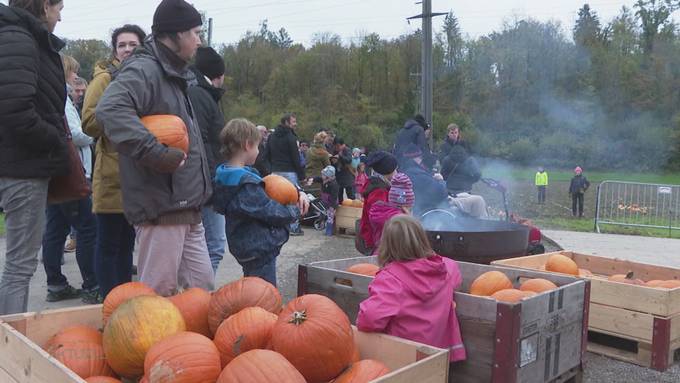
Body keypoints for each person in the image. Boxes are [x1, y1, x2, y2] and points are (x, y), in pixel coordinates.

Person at [96, 0, 214, 296]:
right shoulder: (144, 69)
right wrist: (157, 154)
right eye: (195, 32)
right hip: (161, 206)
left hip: (187, 206)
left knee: (202, 293)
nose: (199, 40)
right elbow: (110, 110)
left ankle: (191, 344)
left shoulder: (174, 72)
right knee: (157, 300)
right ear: (174, 35)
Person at [0, 0, 69, 315]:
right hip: (22, 168)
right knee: (19, 267)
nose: (60, 14)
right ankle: (8, 350)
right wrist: (55, 139)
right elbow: (15, 108)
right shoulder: (20, 38)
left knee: (17, 264)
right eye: (58, 7)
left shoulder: (19, 37)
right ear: (44, 6)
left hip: (19, 162)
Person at [82, 23, 146, 298]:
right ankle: (109, 301)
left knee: (127, 243)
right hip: (111, 173)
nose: (128, 49)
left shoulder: (147, 77)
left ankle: (125, 301)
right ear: (115, 51)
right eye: (122, 45)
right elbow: (88, 121)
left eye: (133, 44)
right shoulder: (104, 80)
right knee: (109, 243)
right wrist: (124, 121)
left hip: (140, 174)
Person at [357, 215, 466, 364]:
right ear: (422, 240)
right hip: (439, 355)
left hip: (403, 357)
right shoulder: (446, 268)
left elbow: (369, 319)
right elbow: (456, 278)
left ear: (386, 245)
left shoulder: (390, 280)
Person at [212, 118, 302, 286]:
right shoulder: (245, 185)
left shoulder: (225, 176)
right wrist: (295, 210)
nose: (259, 152)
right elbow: (271, 211)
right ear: (247, 145)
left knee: (252, 288)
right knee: (264, 292)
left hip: (245, 245)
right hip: (258, 249)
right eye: (257, 146)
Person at [41, 54, 99, 304]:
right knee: (88, 227)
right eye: (72, 72)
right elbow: (73, 133)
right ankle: (92, 284)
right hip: (72, 172)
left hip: (54, 173)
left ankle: (55, 282)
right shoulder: (60, 98)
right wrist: (93, 135)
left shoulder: (48, 96)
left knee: (55, 228)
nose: (76, 76)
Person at [187, 46, 227, 274]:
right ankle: (202, 296)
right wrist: (212, 180)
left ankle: (198, 293)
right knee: (214, 245)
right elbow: (201, 140)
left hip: (204, 179)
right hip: (206, 182)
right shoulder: (200, 95)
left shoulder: (197, 92)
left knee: (204, 244)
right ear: (218, 76)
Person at [265, 113, 305, 236]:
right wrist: (302, 175)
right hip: (289, 171)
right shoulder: (290, 137)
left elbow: (266, 155)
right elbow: (295, 158)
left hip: (275, 171)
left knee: (275, 199)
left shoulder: (271, 137)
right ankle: (293, 227)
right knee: (293, 198)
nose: (295, 124)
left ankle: (274, 224)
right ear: (287, 123)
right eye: (293, 121)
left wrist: (270, 169)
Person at [358, 151, 398, 255]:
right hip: (374, 240)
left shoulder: (379, 186)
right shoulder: (379, 191)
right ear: (387, 172)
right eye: (395, 170)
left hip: (376, 238)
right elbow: (380, 218)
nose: (396, 172)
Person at [368, 173, 415, 254]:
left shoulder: (382, 211)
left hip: (379, 253)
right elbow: (411, 241)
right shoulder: (401, 221)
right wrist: (409, 219)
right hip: (394, 257)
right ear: (405, 205)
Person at [317, 165, 339, 236]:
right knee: (323, 213)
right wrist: (311, 179)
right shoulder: (324, 180)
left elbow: (334, 196)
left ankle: (329, 231)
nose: (322, 176)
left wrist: (332, 206)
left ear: (328, 176)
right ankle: (321, 224)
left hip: (331, 203)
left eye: (323, 175)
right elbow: (318, 178)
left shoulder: (333, 184)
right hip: (325, 201)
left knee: (330, 216)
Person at [333, 137, 355, 203]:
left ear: (342, 145)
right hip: (339, 175)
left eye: (338, 146)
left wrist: (340, 156)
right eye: (335, 146)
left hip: (347, 175)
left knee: (350, 194)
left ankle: (353, 209)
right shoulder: (336, 151)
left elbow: (348, 160)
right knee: (339, 194)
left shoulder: (347, 150)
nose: (337, 148)